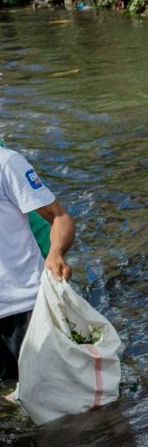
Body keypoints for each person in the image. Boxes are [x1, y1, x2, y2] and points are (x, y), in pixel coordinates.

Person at [0, 143, 74, 380]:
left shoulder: (7, 163)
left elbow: (58, 216)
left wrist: (56, 253)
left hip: (22, 307)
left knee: (53, 395)